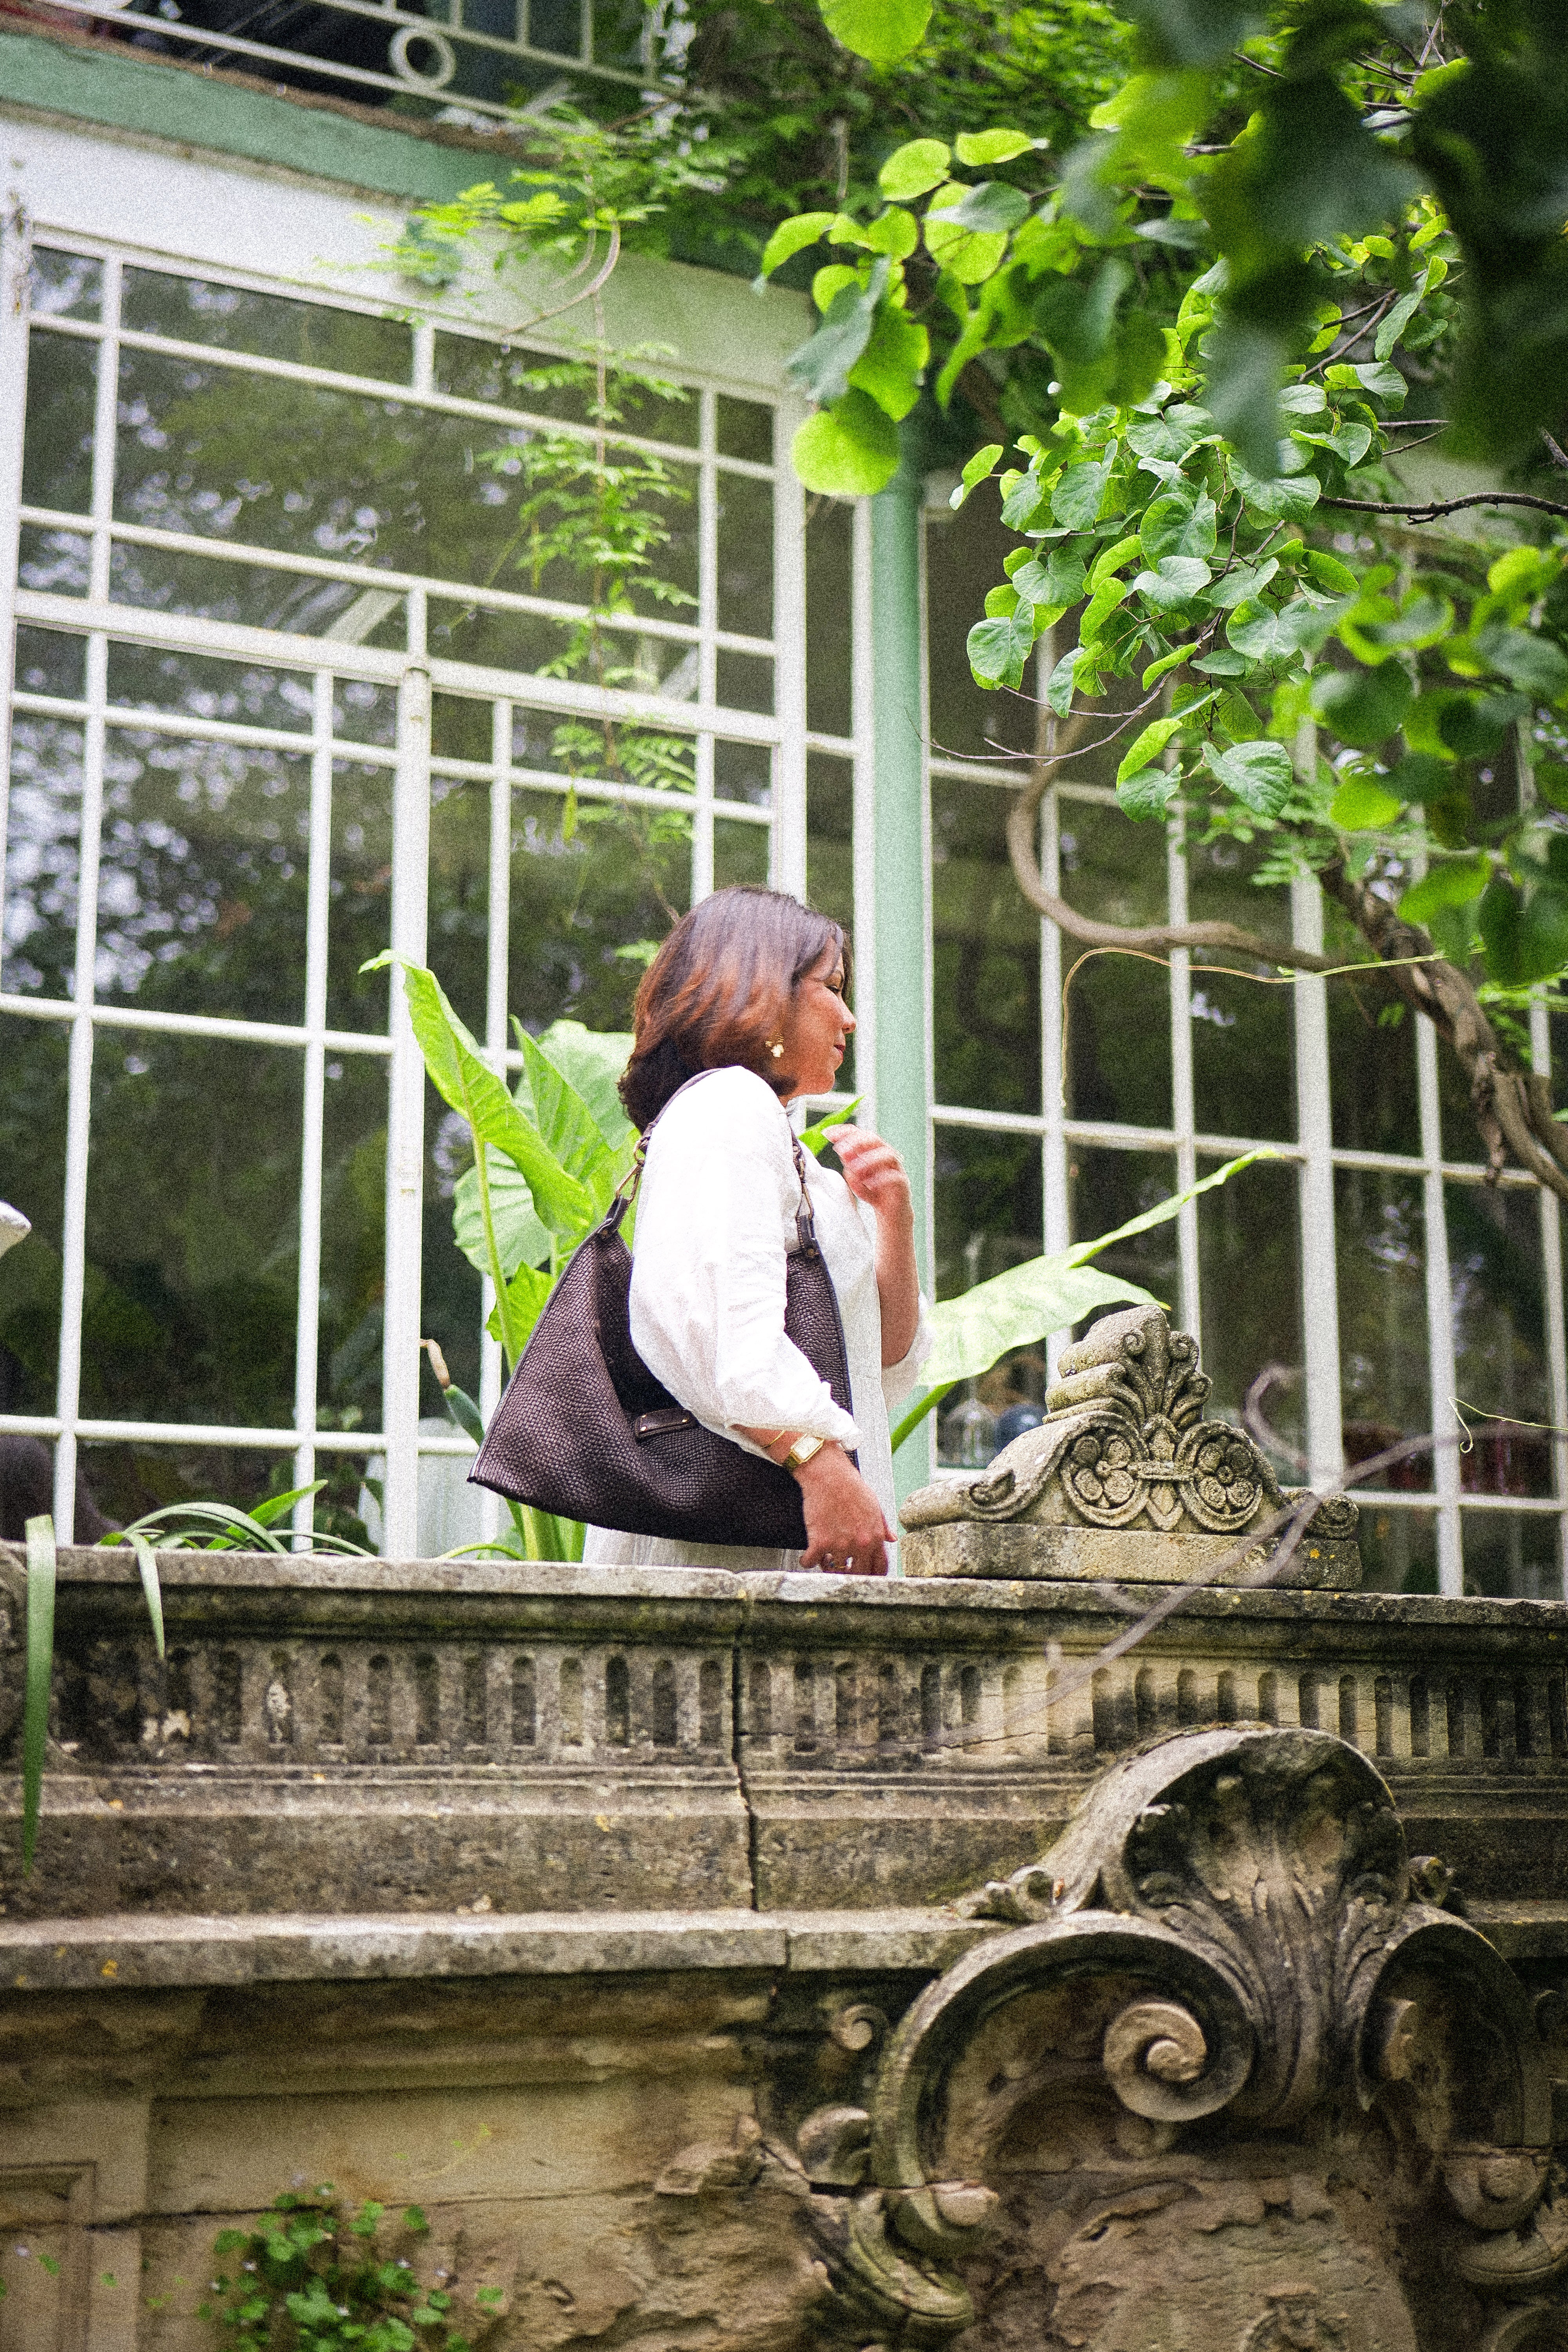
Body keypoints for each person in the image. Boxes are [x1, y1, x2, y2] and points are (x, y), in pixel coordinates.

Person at [581, 886, 931, 1577]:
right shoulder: (728, 1107)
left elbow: (881, 1363)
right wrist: (819, 1465)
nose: (851, 1018)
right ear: (763, 991)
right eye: (831, 987)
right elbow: (720, 1329)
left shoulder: (793, 1156)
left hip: (772, 1538)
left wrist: (893, 1220)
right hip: (729, 1552)